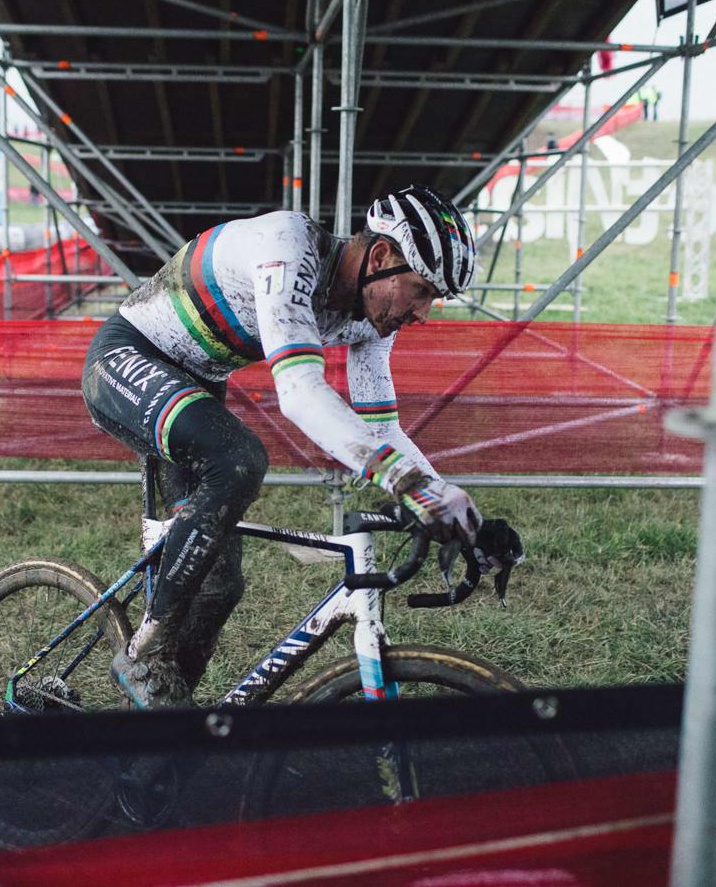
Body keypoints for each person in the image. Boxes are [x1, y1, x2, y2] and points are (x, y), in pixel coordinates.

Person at [82, 184, 513, 708]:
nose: (422, 313)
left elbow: (382, 430)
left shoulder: (371, 316)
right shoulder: (288, 249)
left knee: (218, 587)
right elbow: (300, 393)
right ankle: (144, 651)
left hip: (196, 383)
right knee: (238, 460)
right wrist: (408, 484)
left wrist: (463, 513)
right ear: (380, 257)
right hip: (127, 357)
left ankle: (168, 732)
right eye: (421, 291)